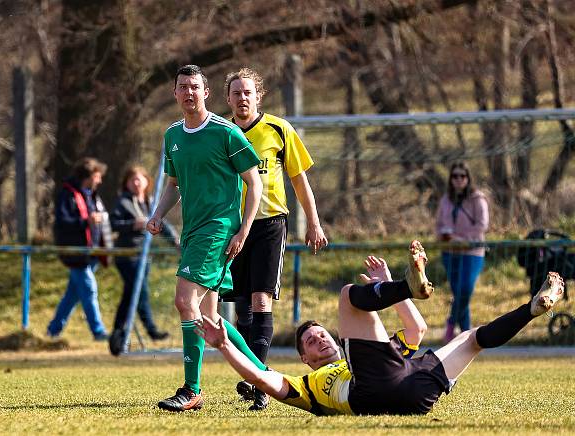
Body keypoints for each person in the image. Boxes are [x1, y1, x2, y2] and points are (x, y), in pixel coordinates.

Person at [197, 240, 565, 416]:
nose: (320, 337)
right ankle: (406, 285)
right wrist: (225, 346)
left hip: (414, 388)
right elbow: (263, 380)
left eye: (321, 332)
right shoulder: (305, 387)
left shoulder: (367, 352)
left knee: (472, 338)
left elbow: (416, 330)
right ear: (304, 358)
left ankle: (531, 309)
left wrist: (392, 286)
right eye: (310, 340)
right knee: (346, 295)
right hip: (368, 390)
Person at [147, 64, 265, 412]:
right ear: (175, 93)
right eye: (182, 87)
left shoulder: (225, 132)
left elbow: (254, 182)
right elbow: (174, 185)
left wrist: (243, 229)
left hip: (218, 230)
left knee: (185, 301)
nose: (188, 93)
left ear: (206, 92)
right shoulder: (173, 136)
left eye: (194, 87)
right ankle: (264, 377)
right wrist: (157, 215)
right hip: (193, 231)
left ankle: (191, 389)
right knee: (211, 321)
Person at [224, 67, 329, 410]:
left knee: (260, 301)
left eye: (248, 92)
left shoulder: (279, 129)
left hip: (270, 224)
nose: (242, 98)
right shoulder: (221, 132)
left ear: (259, 96)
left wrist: (313, 222)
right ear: (228, 98)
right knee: (241, 308)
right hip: (231, 226)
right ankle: (260, 372)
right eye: (236, 93)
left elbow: (299, 180)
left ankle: (257, 387)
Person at [108, 165, 177, 354]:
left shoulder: (151, 202)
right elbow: (113, 224)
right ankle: (151, 329)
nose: (136, 183)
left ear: (147, 181)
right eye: (132, 180)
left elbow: (163, 224)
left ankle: (117, 334)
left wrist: (175, 242)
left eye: (139, 179)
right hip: (127, 256)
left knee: (131, 294)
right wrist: (133, 224)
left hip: (143, 256)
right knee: (140, 291)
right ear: (127, 183)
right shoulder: (123, 202)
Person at [47, 157, 111, 341]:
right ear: (89, 176)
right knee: (89, 289)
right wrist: (86, 222)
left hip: (91, 253)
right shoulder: (67, 195)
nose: (99, 181)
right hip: (76, 255)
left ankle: (52, 331)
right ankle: (98, 332)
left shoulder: (91, 195)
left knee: (72, 296)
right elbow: (62, 222)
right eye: (97, 176)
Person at [435, 162, 489, 343]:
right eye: (454, 176)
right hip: (450, 251)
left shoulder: (477, 198)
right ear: (450, 179)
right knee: (457, 292)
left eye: (462, 176)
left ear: (468, 178)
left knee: (465, 289)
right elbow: (439, 223)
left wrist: (461, 238)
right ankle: (467, 335)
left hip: (472, 251)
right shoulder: (446, 199)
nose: (458, 180)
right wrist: (444, 235)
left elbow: (482, 224)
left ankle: (451, 323)